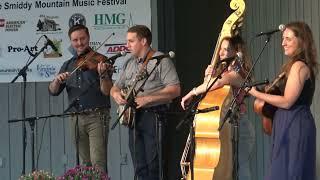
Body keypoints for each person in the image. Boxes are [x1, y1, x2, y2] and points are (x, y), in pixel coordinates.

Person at [248, 21, 318, 180]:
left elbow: (287, 101)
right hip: (288, 122)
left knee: (291, 173)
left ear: (301, 41)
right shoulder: (293, 66)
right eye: (282, 38)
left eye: (288, 38)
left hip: (295, 123)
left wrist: (255, 93)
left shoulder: (299, 66)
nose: (283, 43)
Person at [110, 25, 180, 179]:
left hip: (154, 117)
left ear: (143, 41)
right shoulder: (129, 62)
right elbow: (114, 88)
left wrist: (148, 98)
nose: (127, 45)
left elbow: (175, 90)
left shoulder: (161, 60)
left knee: (154, 165)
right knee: (139, 166)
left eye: (131, 41)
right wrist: (116, 95)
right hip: (134, 119)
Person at [180, 35, 255, 180]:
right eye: (221, 48)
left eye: (226, 49)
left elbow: (220, 83)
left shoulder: (237, 73)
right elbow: (210, 93)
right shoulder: (221, 72)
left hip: (240, 127)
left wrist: (192, 92)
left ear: (236, 52)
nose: (221, 52)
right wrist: (207, 77)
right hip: (226, 128)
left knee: (241, 169)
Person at [48, 24, 113, 171]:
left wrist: (102, 74)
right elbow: (53, 91)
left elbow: (107, 91)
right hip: (75, 118)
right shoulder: (68, 65)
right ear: (71, 42)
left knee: (98, 163)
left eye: (82, 38)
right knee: (85, 164)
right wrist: (57, 80)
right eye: (75, 40)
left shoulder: (100, 60)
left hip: (97, 116)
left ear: (88, 38)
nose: (79, 43)